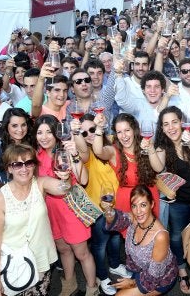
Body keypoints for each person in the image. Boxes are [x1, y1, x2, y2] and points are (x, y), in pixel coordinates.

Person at [0, 144, 73, 296]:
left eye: (28, 163)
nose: (24, 169)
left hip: (41, 262)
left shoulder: (40, 184)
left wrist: (65, 177)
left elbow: (64, 188)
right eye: (17, 164)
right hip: (15, 266)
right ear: (9, 169)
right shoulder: (0, 199)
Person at [33, 115, 98, 296]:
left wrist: (75, 154)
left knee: (81, 253)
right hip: (50, 211)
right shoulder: (35, 156)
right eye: (39, 132)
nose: (44, 137)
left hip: (71, 209)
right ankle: (70, 282)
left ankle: (92, 287)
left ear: (57, 133)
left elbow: (84, 180)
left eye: (48, 132)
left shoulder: (67, 150)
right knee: (63, 249)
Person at [150, 106, 190, 294]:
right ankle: (182, 269)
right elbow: (158, 168)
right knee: (176, 236)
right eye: (166, 124)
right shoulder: (163, 146)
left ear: (182, 122)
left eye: (174, 122)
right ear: (162, 128)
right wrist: (150, 147)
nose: (171, 127)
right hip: (179, 202)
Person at [75, 114, 125, 295]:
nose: (88, 134)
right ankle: (102, 276)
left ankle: (115, 265)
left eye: (92, 129)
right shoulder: (86, 154)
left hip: (117, 204)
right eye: (83, 132)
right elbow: (82, 147)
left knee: (115, 238)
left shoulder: (110, 143)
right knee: (100, 244)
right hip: (98, 209)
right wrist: (76, 134)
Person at [103, 185, 178, 296]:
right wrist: (108, 210)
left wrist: (132, 283)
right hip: (140, 271)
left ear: (152, 204)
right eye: (134, 206)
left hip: (160, 279)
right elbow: (116, 220)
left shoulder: (160, 236)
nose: (138, 211)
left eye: (143, 205)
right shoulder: (133, 219)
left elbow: (155, 275)